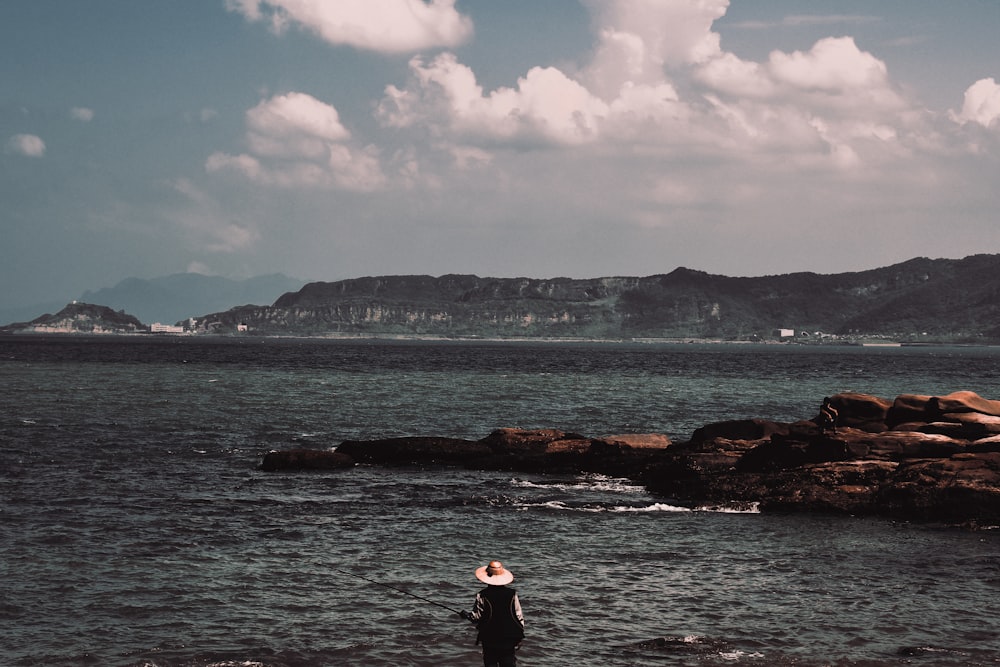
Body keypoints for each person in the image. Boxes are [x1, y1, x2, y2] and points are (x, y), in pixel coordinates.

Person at [459, 560, 525, 667]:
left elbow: (476, 617)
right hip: (509, 640)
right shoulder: (512, 594)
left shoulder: (482, 595)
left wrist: (466, 615)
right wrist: (519, 637)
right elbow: (518, 617)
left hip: (490, 640)